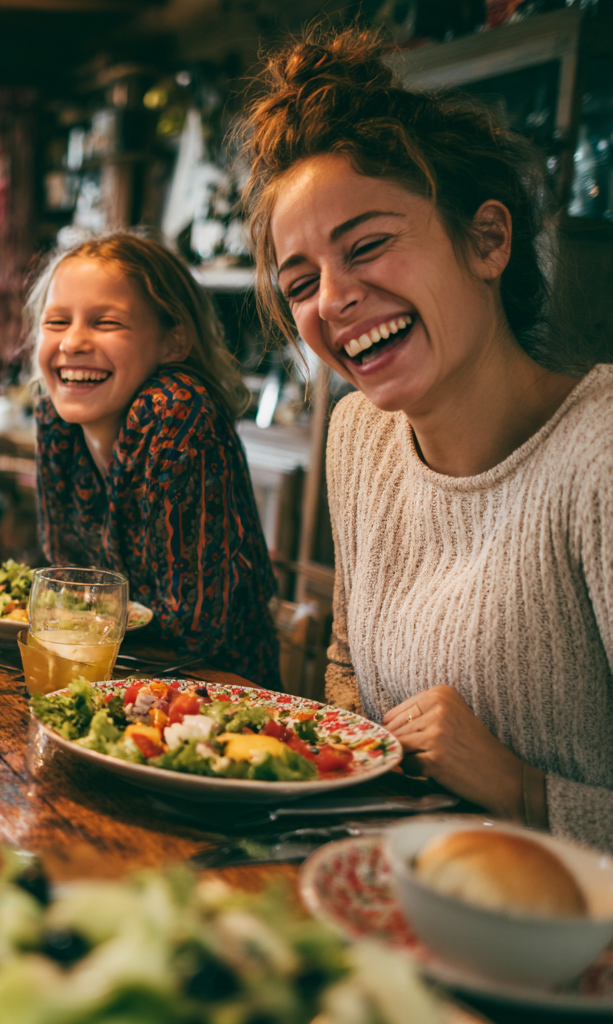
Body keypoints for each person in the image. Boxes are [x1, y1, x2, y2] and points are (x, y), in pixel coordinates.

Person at [244, 27, 613, 846]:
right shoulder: (358, 436)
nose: (333, 300)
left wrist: (522, 791)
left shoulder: (601, 456)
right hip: (391, 895)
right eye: (300, 283)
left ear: (488, 239)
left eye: (368, 246)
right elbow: (346, 669)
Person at [29, 233, 280, 688]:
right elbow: (63, 585)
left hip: (214, 695)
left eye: (106, 323)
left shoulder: (177, 409)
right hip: (106, 678)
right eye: (57, 322)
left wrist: (82, 619)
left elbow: (194, 629)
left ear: (173, 341)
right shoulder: (54, 414)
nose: (73, 343)